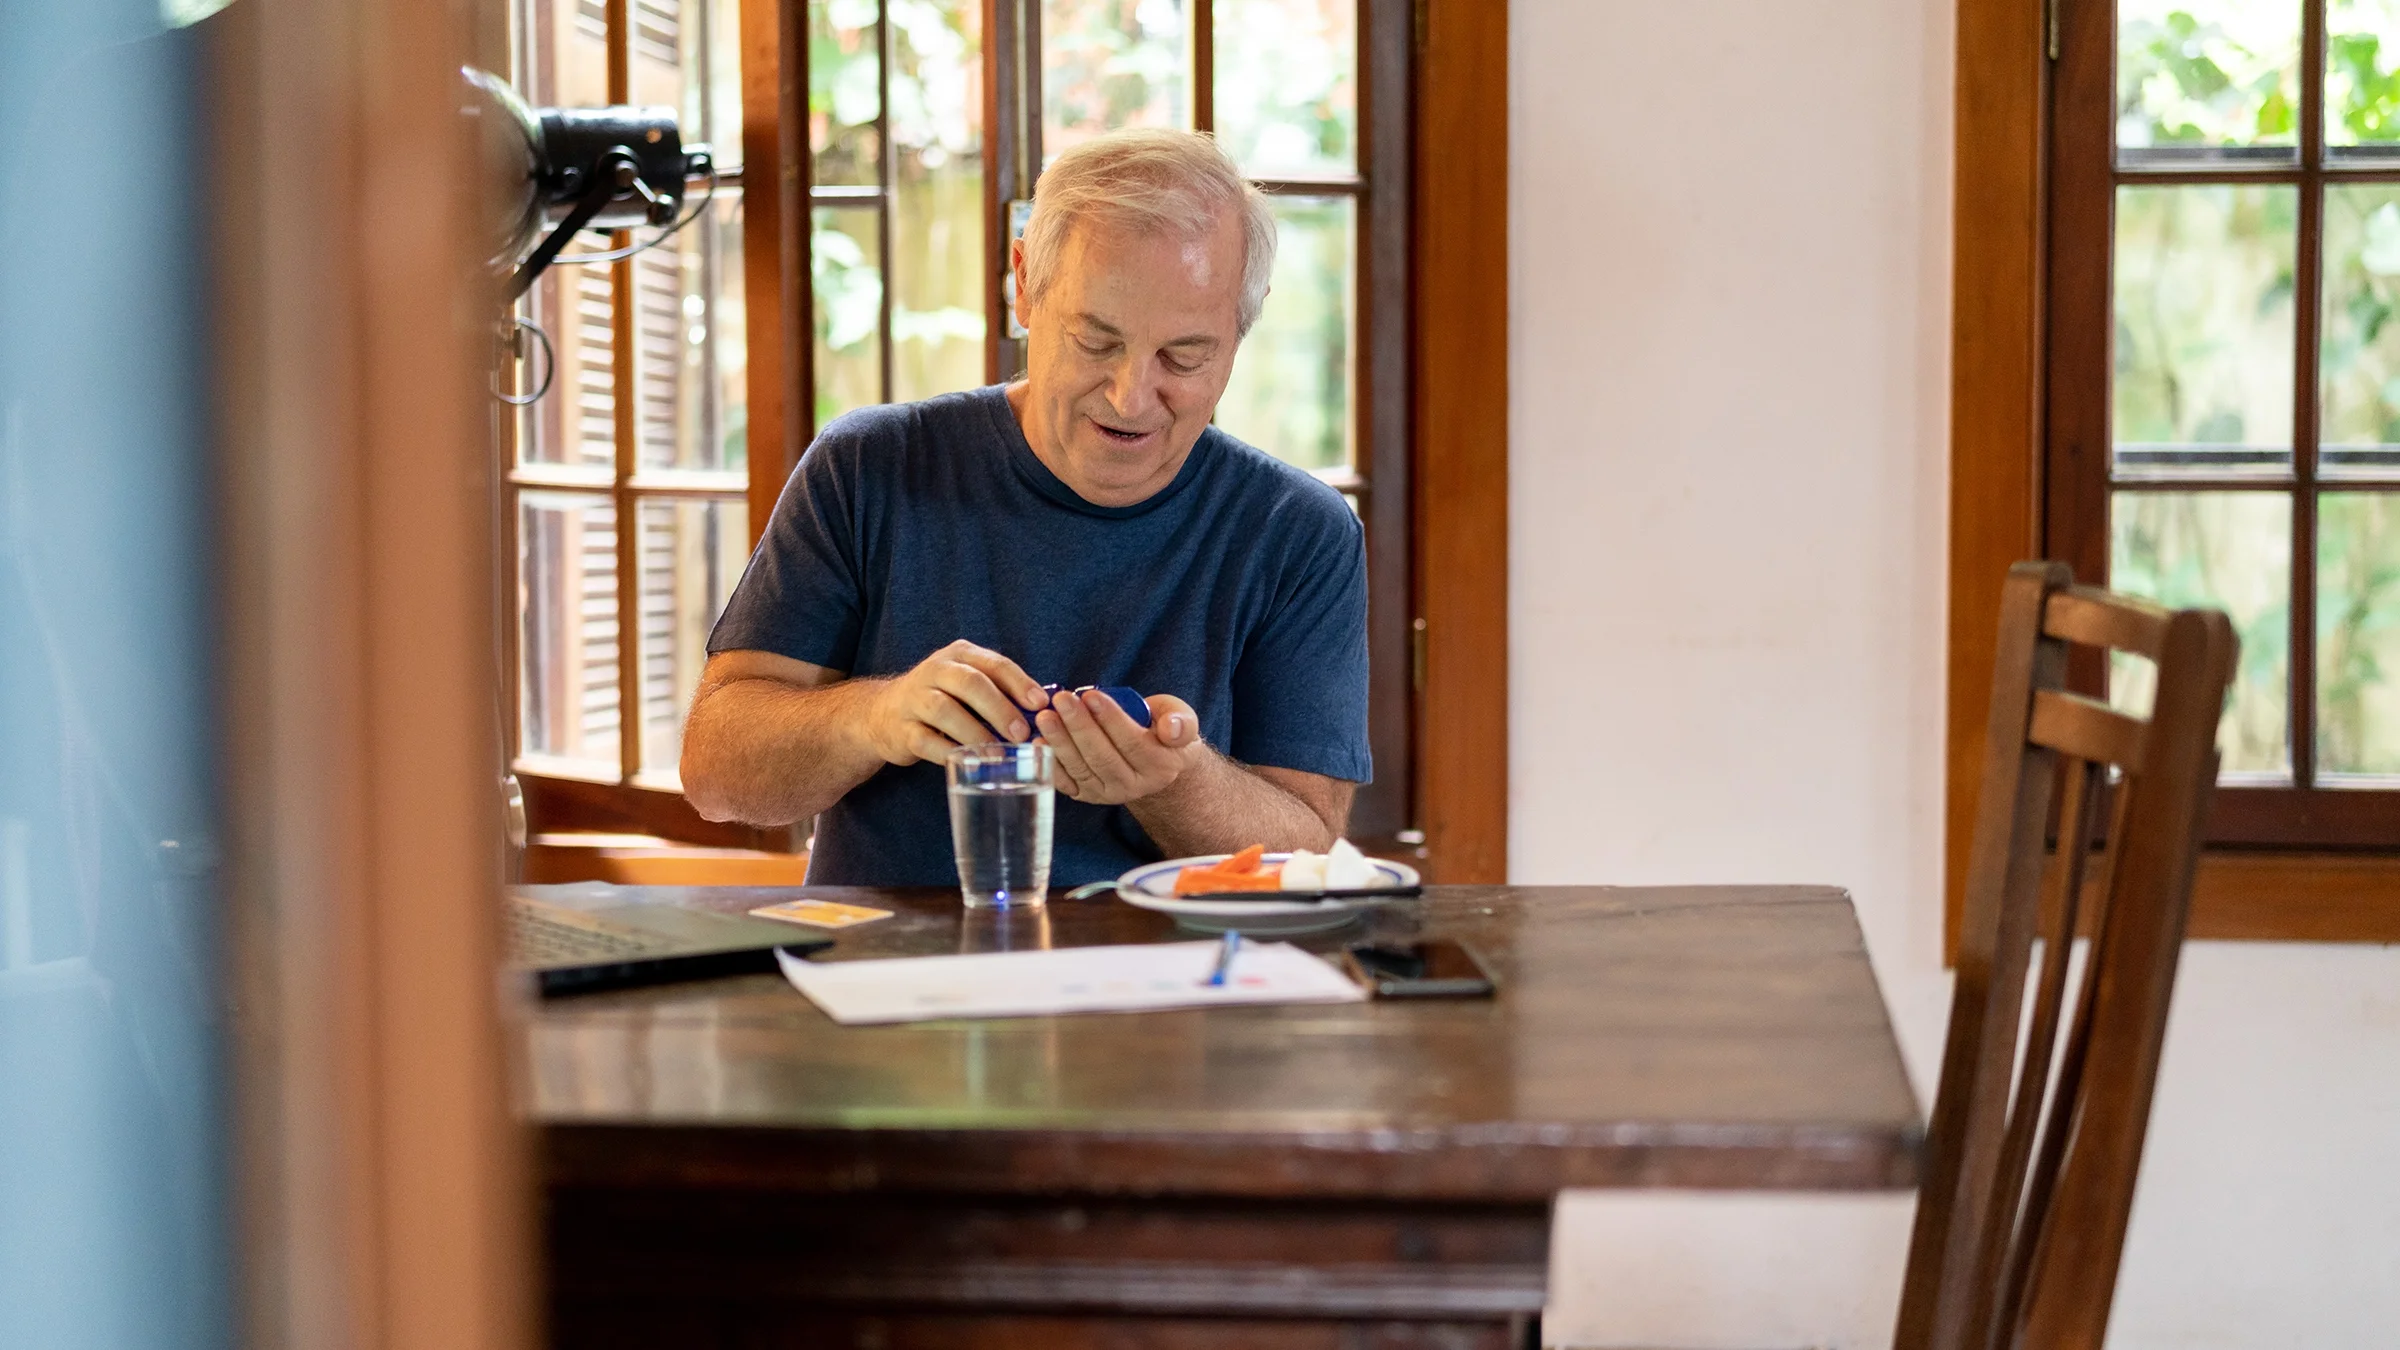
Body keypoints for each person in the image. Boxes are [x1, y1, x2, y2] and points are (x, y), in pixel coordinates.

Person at [680, 127, 1369, 886]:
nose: (1131, 396)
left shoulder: (1299, 532)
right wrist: (875, 717)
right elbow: (716, 775)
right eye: (1096, 340)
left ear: (1241, 330)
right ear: (1023, 287)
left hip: (1178, 978)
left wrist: (1174, 780)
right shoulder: (869, 467)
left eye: (1184, 356)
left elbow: (1311, 854)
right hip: (891, 973)